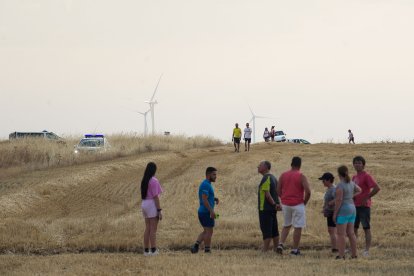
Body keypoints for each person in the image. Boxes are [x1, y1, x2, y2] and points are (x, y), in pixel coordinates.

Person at [276, 156, 311, 256]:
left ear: (291, 164)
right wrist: (305, 202)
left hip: (285, 204)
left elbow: (278, 190)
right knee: (298, 227)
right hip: (298, 204)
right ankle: (295, 250)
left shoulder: (283, 175)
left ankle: (280, 244)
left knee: (286, 224)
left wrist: (283, 198)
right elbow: (308, 191)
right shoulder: (301, 176)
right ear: (300, 165)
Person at [352, 156, 381, 257]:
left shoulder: (367, 176)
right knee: (353, 228)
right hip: (354, 206)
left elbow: (377, 188)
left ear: (363, 165)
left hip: (364, 206)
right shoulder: (354, 177)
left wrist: (367, 197)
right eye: (355, 163)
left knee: (366, 228)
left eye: (359, 163)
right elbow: (353, 191)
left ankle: (366, 250)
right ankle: (353, 248)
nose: (357, 164)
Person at [333, 165, 362, 260]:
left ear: (338, 174)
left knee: (341, 234)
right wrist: (351, 196)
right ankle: (354, 255)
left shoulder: (340, 185)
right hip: (352, 208)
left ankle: (341, 255)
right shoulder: (351, 183)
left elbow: (339, 200)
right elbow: (360, 190)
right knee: (351, 233)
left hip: (344, 210)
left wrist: (335, 213)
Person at [191, 167, 219, 254]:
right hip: (206, 212)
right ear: (208, 174)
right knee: (209, 231)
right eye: (214, 174)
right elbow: (204, 199)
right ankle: (207, 250)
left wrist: (214, 198)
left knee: (206, 231)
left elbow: (206, 197)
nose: (216, 176)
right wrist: (211, 211)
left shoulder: (207, 184)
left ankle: (196, 246)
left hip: (204, 211)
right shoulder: (206, 184)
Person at [257, 161, 281, 252]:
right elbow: (278, 192)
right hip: (272, 209)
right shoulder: (274, 178)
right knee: (274, 229)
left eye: (260, 165)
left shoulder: (266, 178)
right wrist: (277, 204)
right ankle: (276, 248)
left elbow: (267, 194)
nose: (258, 167)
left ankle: (265, 250)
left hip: (265, 208)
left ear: (266, 167)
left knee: (266, 229)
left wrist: (274, 204)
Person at [141, 162, 163, 256]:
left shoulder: (144, 180)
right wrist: (159, 210)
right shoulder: (154, 180)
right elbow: (156, 197)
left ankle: (146, 251)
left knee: (147, 228)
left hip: (144, 204)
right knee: (153, 229)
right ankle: (154, 251)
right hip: (151, 204)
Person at [319, 172, 338, 253]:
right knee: (331, 230)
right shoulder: (330, 189)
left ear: (329, 180)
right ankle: (335, 247)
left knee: (332, 230)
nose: (322, 182)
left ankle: (335, 248)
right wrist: (325, 208)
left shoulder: (333, 189)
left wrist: (330, 204)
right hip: (330, 212)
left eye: (323, 181)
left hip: (333, 212)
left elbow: (338, 199)